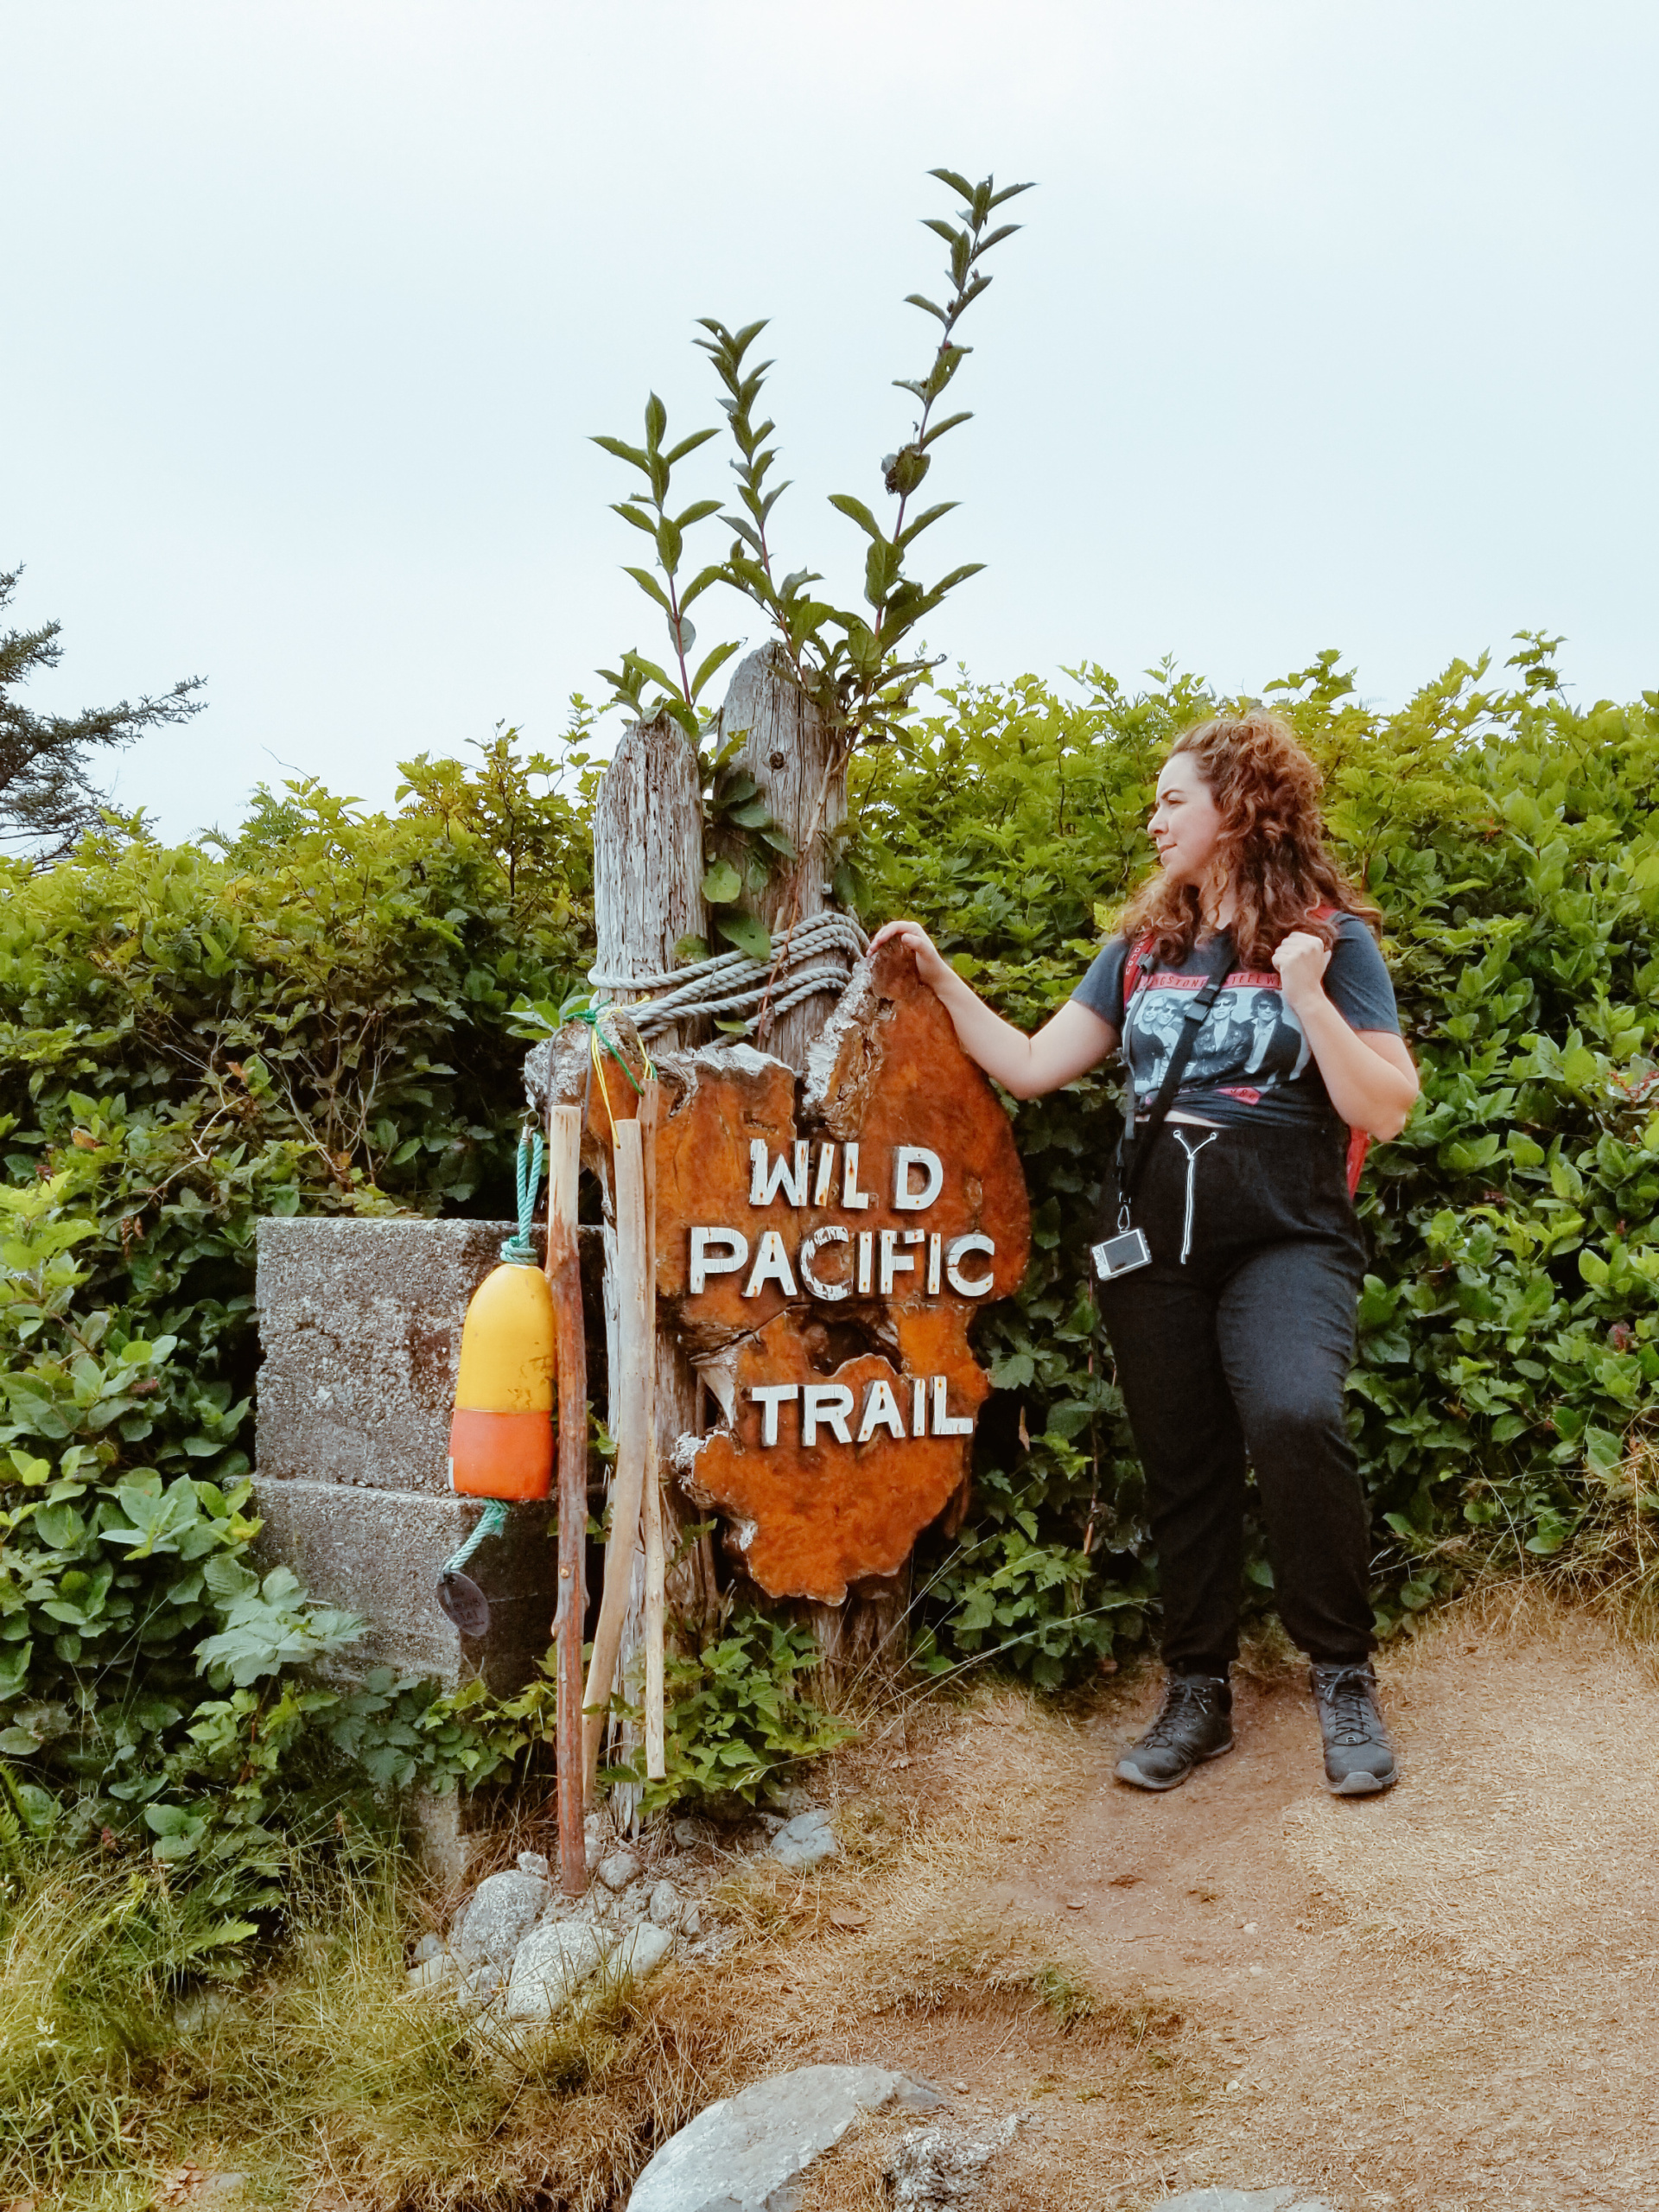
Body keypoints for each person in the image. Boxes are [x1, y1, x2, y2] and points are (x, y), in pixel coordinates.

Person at [871, 707, 1419, 1796]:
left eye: (1175, 799)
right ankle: (1198, 1690)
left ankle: (1342, 1674)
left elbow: (1388, 1105)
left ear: (1238, 806)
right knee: (1184, 1465)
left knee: (1296, 1413)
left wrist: (1307, 993)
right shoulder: (1144, 947)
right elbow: (1032, 1066)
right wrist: (934, 973)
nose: (1155, 818)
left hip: (1288, 1240)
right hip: (1155, 1250)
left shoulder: (1330, 939)